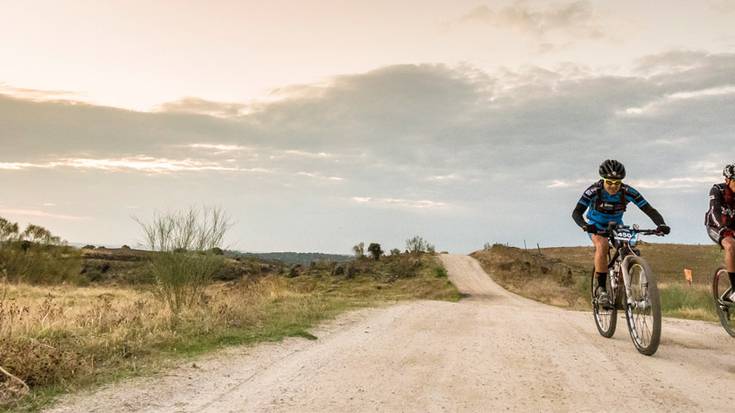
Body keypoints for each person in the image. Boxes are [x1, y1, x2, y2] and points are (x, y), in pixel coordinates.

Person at [572, 160, 670, 305]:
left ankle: (623, 289)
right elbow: (576, 212)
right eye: (609, 182)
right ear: (603, 180)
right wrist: (585, 225)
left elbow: (649, 209)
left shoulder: (627, 191)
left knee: (629, 250)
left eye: (617, 183)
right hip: (595, 225)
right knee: (602, 245)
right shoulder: (593, 191)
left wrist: (661, 224)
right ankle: (601, 289)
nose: (613, 186)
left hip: (617, 225)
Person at [705, 164, 735, 301]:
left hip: (733, 227)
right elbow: (714, 211)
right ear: (727, 180)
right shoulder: (717, 190)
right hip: (716, 226)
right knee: (730, 245)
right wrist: (723, 229)